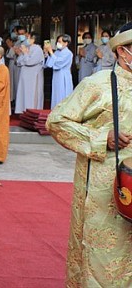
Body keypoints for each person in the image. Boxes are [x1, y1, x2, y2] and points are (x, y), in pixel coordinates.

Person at [46, 23, 132, 287]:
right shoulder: (98, 84)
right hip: (106, 189)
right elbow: (56, 122)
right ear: (122, 52)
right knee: (103, 261)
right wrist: (98, 138)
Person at [15, 31, 44, 114]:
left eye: (29, 37)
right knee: (23, 93)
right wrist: (24, 54)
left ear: (33, 39)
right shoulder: (28, 47)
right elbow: (19, 61)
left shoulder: (37, 49)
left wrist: (25, 54)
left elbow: (30, 62)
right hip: (25, 75)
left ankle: (32, 112)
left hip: (32, 76)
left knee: (31, 94)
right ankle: (23, 111)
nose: (27, 39)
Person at [44, 34, 74, 109]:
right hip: (56, 76)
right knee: (56, 93)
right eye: (58, 41)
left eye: (60, 41)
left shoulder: (68, 53)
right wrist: (47, 53)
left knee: (62, 94)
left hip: (63, 76)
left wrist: (51, 52)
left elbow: (58, 63)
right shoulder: (57, 52)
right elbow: (49, 64)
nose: (58, 43)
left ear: (66, 43)